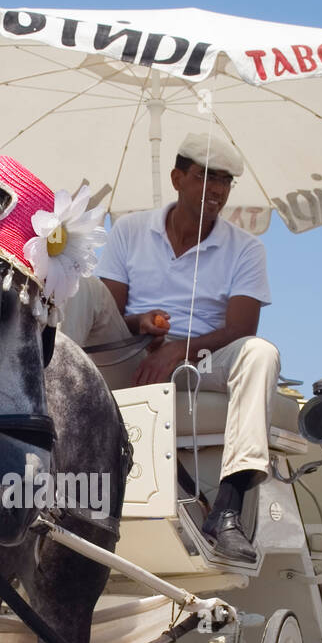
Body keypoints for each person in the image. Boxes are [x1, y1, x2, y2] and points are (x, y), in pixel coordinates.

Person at [95, 130, 280, 565]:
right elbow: (107, 316)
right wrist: (140, 324)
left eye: (225, 181)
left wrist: (178, 349)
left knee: (261, 353)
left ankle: (228, 510)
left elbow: (241, 327)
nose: (217, 189)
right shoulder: (128, 231)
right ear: (178, 178)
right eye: (205, 177)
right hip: (130, 352)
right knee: (81, 293)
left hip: (206, 359)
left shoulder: (246, 249)